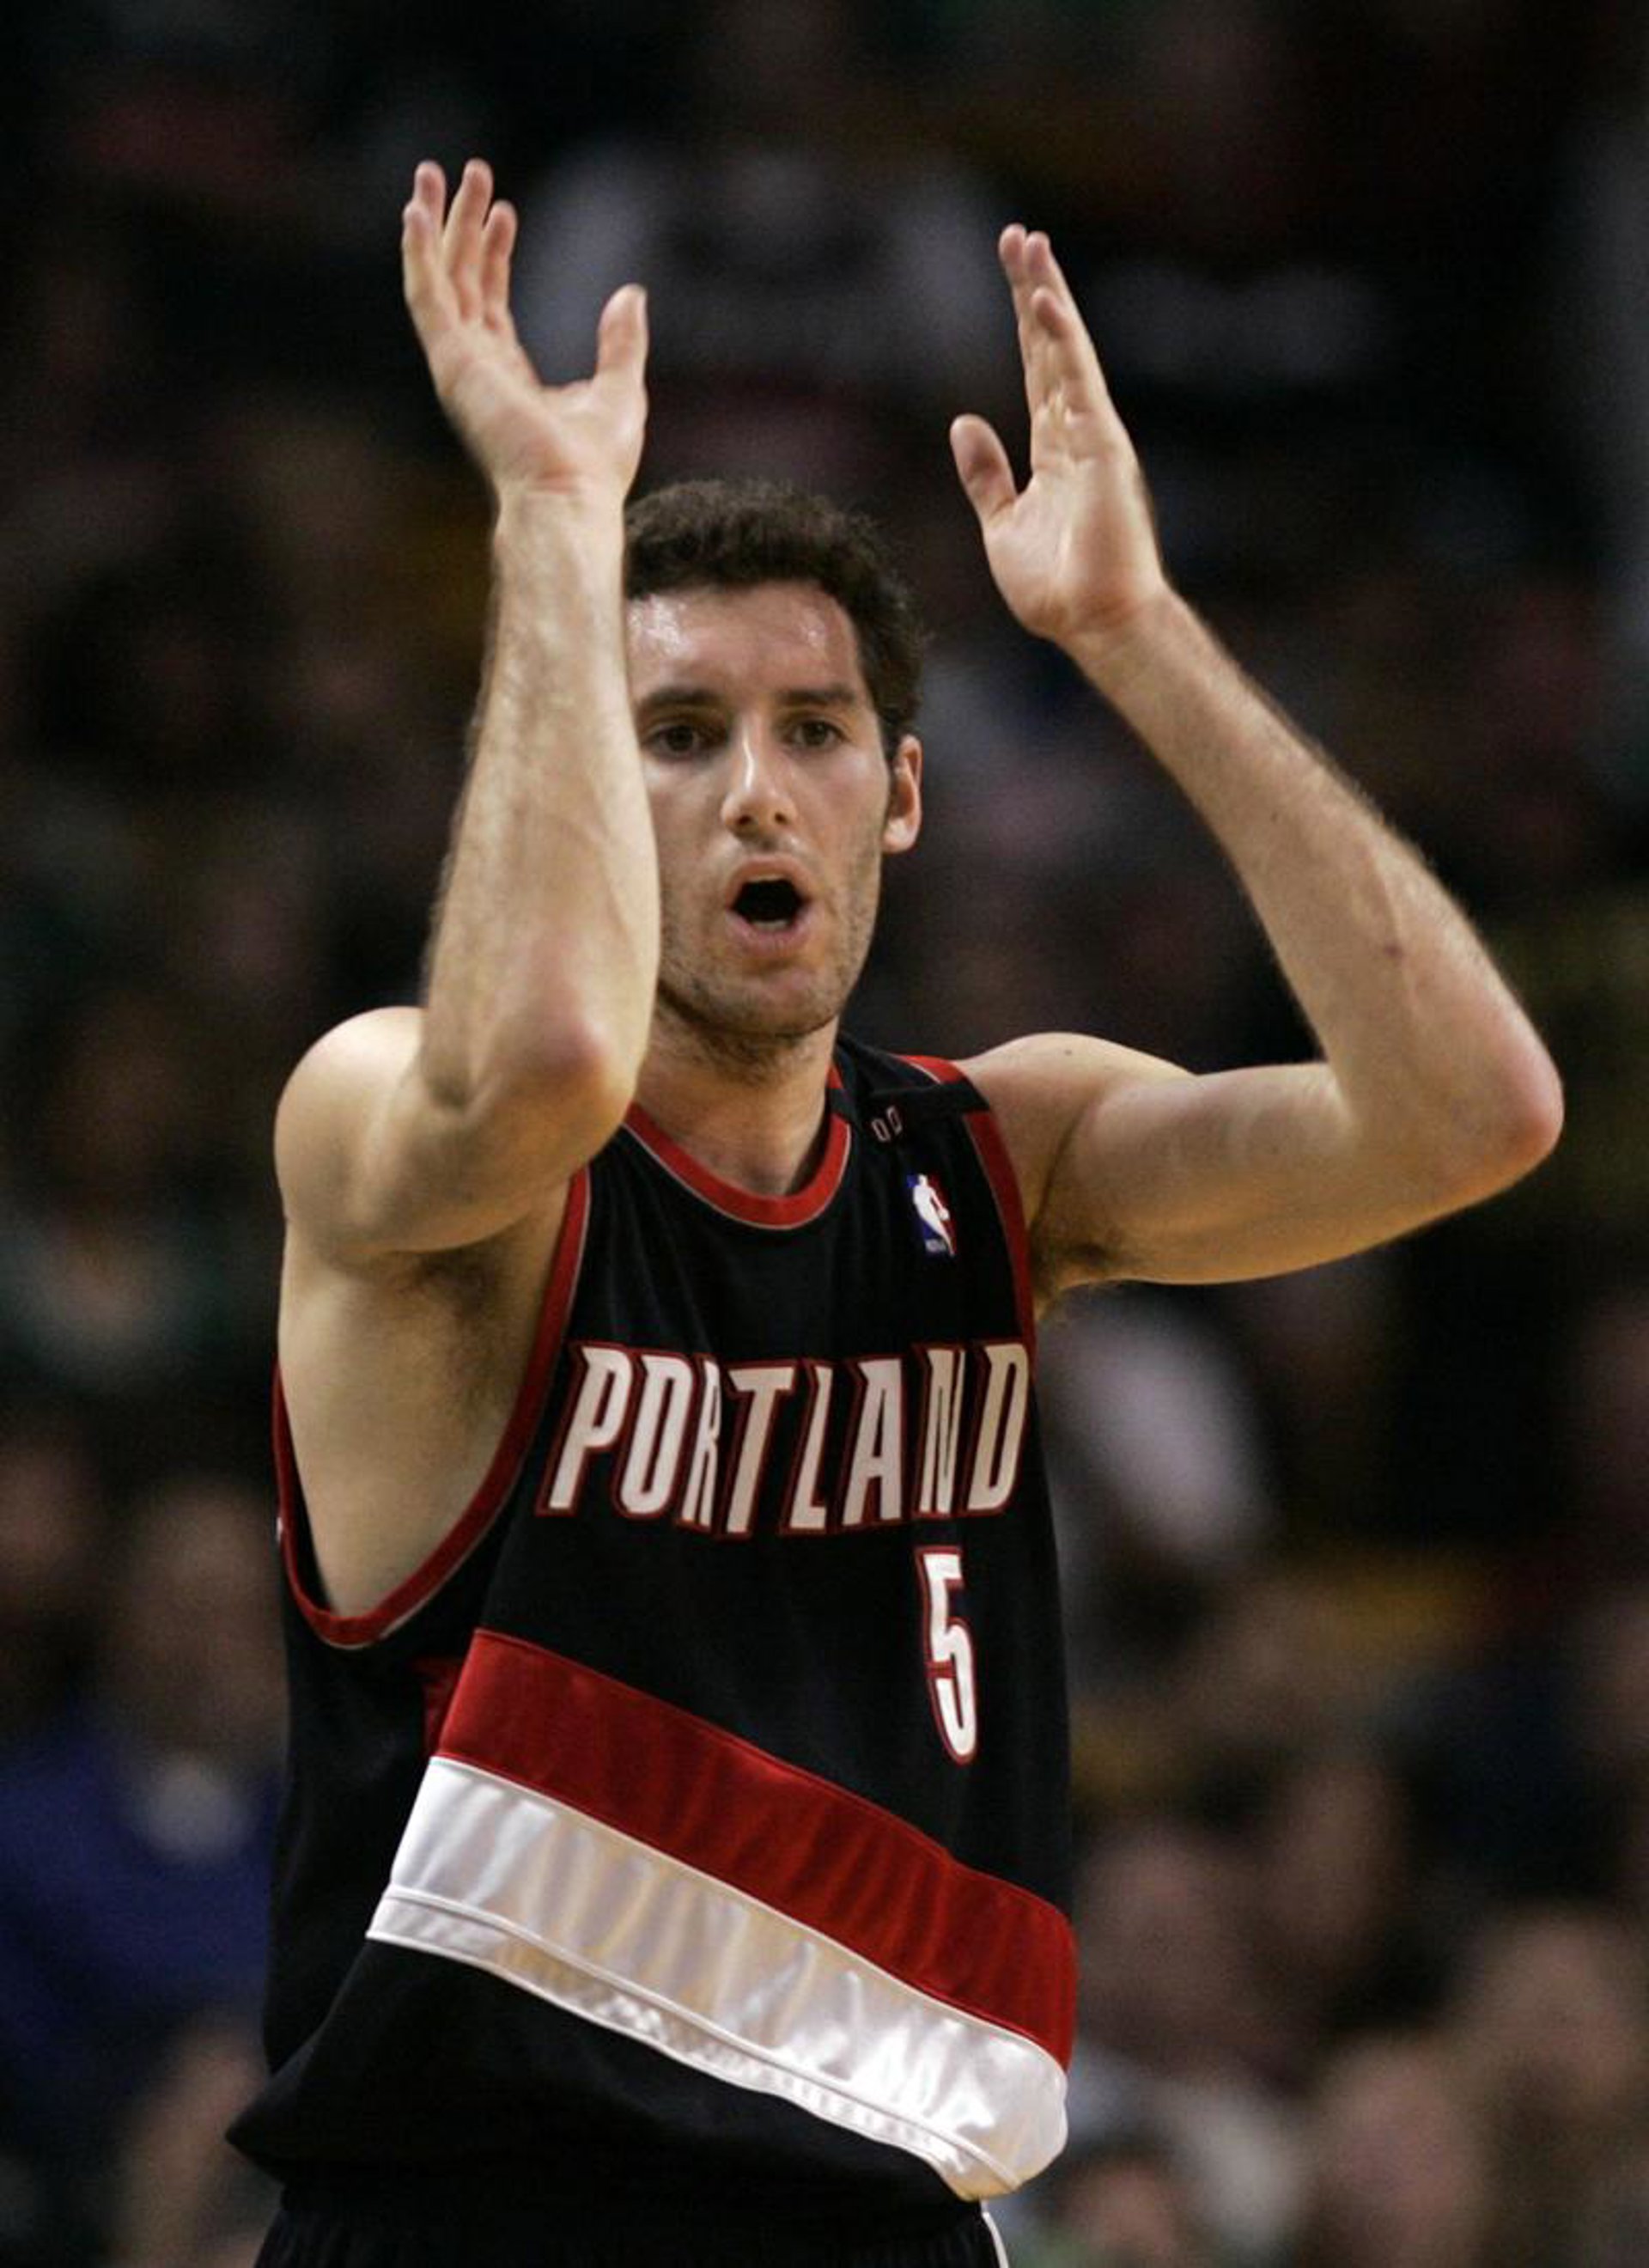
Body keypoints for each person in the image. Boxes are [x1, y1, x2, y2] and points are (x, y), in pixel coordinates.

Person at [228, 157, 1561, 2266]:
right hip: (483, 2216)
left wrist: (1138, 638)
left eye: (817, 733)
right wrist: (554, 526)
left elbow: (1475, 1115)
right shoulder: (395, 1118)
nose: (759, 789)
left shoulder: (999, 1156)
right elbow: (548, 1064)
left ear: (905, 795)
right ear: (579, 777)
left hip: (889, 2212)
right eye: (679, 735)